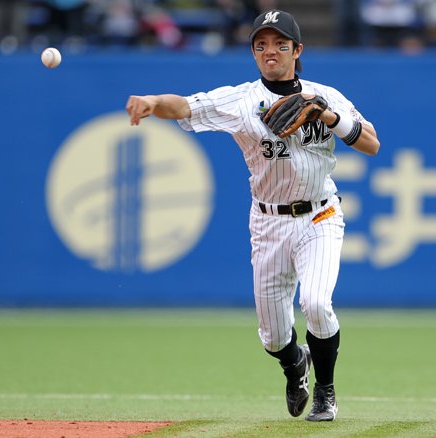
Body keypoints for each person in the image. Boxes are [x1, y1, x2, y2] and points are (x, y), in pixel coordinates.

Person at [126, 9, 380, 421]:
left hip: (319, 215)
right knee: (273, 337)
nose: (270, 51)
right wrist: (154, 102)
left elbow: (371, 143)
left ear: (297, 50)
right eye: (261, 45)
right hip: (268, 221)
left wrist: (326, 116)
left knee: (316, 303)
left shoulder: (324, 95)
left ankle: (326, 391)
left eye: (280, 44)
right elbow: (186, 107)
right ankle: (294, 363)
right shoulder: (241, 101)